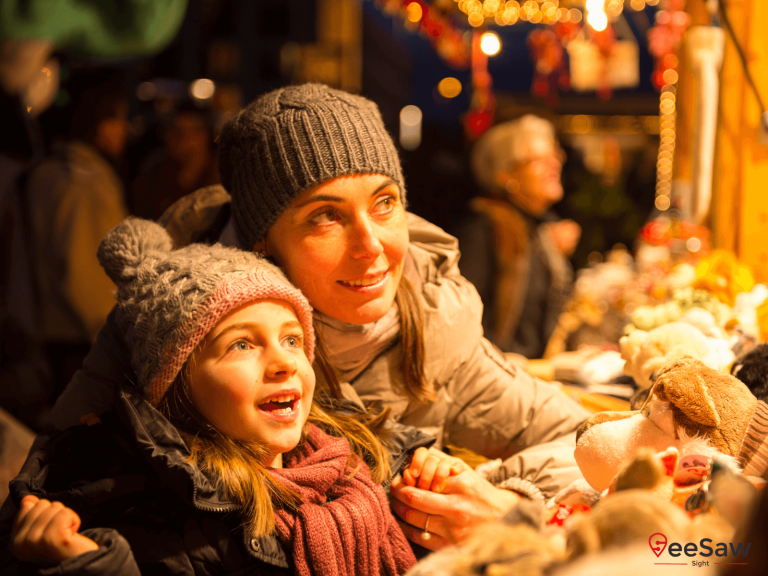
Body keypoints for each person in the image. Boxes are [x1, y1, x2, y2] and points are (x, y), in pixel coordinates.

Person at [40, 84, 590, 551]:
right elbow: (47, 497)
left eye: (384, 202)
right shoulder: (166, 325)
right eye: (326, 216)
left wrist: (506, 500)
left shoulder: (432, 326)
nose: (372, 247)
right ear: (261, 241)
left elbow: (592, 442)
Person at [4, 217, 472, 575]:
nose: (284, 362)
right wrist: (93, 566)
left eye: (292, 339)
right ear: (178, 382)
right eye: (242, 345)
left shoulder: (360, 454)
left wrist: (436, 470)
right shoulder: (156, 519)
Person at [22, 69, 129, 398]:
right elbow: (85, 273)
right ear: (96, 121)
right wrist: (116, 342)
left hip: (48, 333)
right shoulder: (85, 182)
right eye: (117, 118)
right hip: (82, 339)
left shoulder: (47, 170)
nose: (124, 129)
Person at [455, 115, 581, 359]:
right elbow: (463, 323)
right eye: (537, 160)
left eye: (554, 155)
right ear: (505, 175)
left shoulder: (535, 227)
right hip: (500, 372)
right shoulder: (484, 229)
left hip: (534, 370)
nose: (554, 164)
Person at [131, 103, 220, 221]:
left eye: (191, 132)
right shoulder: (155, 175)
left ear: (205, 135)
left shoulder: (223, 177)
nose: (182, 139)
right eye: (175, 131)